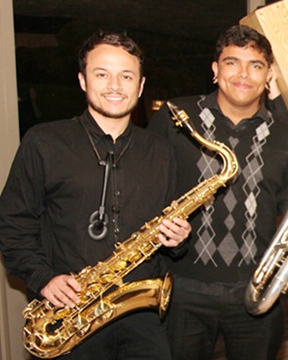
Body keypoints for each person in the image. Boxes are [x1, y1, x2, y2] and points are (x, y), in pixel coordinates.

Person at [147, 24, 288, 360]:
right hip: (182, 288)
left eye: (256, 65)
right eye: (232, 62)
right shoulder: (176, 118)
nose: (243, 74)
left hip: (255, 289)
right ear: (215, 70)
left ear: (269, 76)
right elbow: (144, 187)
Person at [0, 31, 191, 359]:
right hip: (70, 312)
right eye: (102, 74)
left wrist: (179, 238)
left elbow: (170, 234)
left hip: (141, 316)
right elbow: (11, 223)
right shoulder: (44, 142)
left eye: (126, 76)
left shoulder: (160, 150)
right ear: (82, 80)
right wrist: (44, 278)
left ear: (141, 86)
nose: (115, 86)